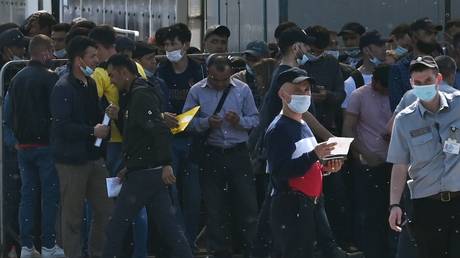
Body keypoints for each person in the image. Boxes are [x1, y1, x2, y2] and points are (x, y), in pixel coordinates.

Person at [102, 54, 193, 258]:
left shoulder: (141, 95)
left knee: (115, 229)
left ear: (125, 73)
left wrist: (167, 163)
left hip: (144, 176)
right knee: (171, 230)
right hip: (148, 172)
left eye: (112, 75)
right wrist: (130, 165)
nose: (111, 81)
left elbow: (158, 130)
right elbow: (138, 135)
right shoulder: (136, 94)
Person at [183, 54, 259, 258]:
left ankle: (250, 248)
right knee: (214, 207)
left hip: (238, 153)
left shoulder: (242, 90)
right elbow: (185, 123)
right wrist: (206, 123)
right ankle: (219, 251)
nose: (220, 84)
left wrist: (240, 121)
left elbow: (255, 119)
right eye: (216, 80)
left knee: (247, 204)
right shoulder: (196, 91)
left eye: (225, 80)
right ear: (208, 73)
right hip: (211, 153)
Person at [265, 67, 343, 258]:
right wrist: (314, 155)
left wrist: (326, 168)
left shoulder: (302, 124)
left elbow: (306, 163)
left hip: (313, 203)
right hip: (291, 206)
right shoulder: (279, 129)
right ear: (282, 94)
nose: (304, 94)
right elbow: (280, 171)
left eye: (306, 90)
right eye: (297, 90)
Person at [387, 55, 460, 258]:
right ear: (411, 84)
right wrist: (394, 204)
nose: (423, 86)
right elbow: (399, 164)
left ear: (438, 79)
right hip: (427, 204)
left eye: (427, 81)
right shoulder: (404, 120)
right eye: (417, 83)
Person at [50, 36, 113, 258]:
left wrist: (106, 116)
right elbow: (61, 126)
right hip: (71, 161)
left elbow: (93, 114)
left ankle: (97, 252)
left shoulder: (91, 83)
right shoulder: (63, 87)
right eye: (92, 56)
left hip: (94, 157)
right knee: (72, 217)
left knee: (105, 210)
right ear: (79, 60)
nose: (97, 60)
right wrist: (91, 131)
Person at [89, 25, 148, 258]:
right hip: (139, 143)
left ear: (101, 47)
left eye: (95, 52)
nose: (95, 58)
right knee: (139, 203)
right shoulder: (137, 68)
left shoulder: (102, 73)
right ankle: (139, 252)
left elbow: (90, 102)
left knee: (109, 203)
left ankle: (113, 250)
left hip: (114, 144)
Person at [6, 34, 64, 258]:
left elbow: (9, 115)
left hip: (24, 147)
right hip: (46, 146)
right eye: (50, 51)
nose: (53, 55)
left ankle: (26, 246)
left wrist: (15, 141)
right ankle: (49, 244)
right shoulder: (50, 79)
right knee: (49, 197)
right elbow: (56, 113)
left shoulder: (17, 78)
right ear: (44, 52)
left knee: (27, 195)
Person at [155, 23, 205, 247]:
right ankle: (176, 241)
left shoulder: (198, 70)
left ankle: (190, 239)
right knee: (171, 193)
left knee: (193, 195)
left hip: (194, 138)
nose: (169, 49)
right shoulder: (161, 71)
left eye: (173, 44)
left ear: (185, 45)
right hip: (169, 139)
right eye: (166, 45)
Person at [342, 64, 393, 258]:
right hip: (368, 164)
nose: (386, 92)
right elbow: (348, 129)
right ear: (375, 83)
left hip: (394, 162)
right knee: (370, 213)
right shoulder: (358, 95)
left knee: (392, 211)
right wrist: (362, 154)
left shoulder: (398, 94)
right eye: (383, 88)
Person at [389, 17, 443, 111]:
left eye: (435, 33)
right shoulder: (399, 69)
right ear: (414, 37)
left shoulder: (443, 64)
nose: (434, 37)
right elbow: (397, 108)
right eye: (429, 33)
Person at [342, 30, 387, 110]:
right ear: (366, 50)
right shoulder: (352, 82)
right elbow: (348, 118)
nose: (384, 48)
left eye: (384, 44)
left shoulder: (393, 74)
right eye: (380, 45)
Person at [232, 40, 269, 107]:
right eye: (248, 58)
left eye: (255, 59)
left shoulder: (274, 78)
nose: (251, 63)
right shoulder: (237, 79)